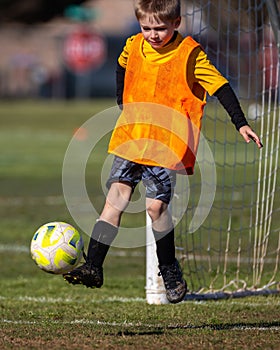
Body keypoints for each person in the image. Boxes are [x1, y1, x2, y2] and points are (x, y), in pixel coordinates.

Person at [63, 0, 262, 304]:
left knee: (155, 208)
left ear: (177, 22)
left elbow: (220, 86)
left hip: (164, 144)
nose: (153, 35)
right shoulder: (133, 45)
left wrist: (240, 123)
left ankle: (169, 269)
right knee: (115, 199)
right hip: (132, 136)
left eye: (160, 28)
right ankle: (93, 266)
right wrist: (122, 103)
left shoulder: (189, 55)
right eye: (147, 28)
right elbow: (122, 64)